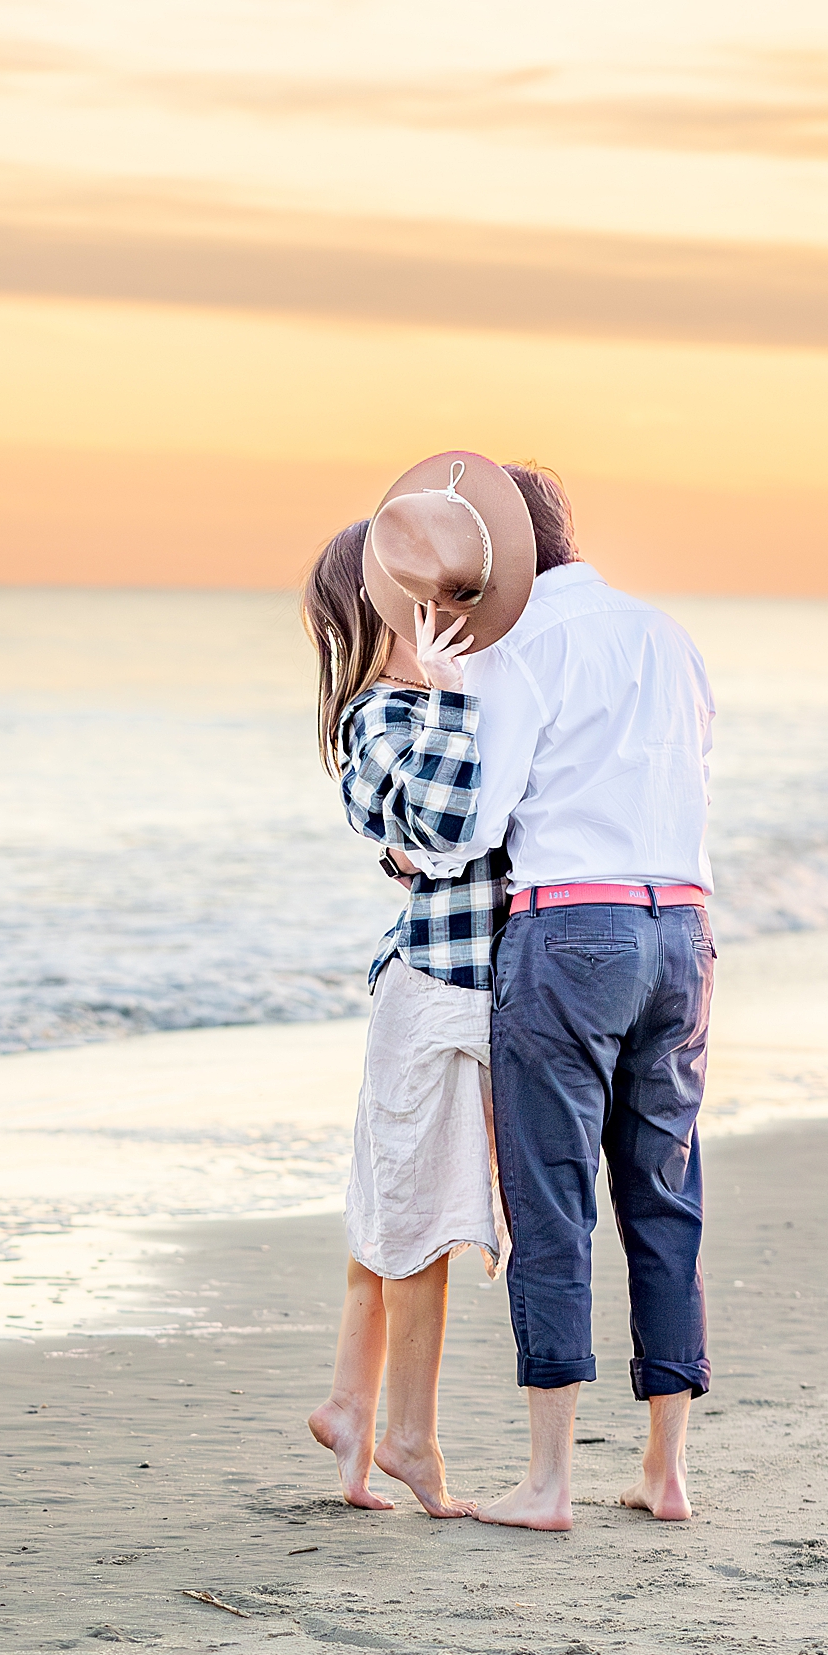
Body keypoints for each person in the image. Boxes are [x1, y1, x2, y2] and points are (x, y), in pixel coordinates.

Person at [437, 465, 717, 1531]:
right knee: (664, 1192)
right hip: (681, 927)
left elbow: (483, 814)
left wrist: (429, 856)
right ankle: (666, 1470)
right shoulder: (666, 634)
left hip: (572, 931)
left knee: (549, 1193)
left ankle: (548, 1482)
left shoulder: (522, 648)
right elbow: (695, 776)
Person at [299, 455, 537, 1518]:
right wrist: (450, 698)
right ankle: (408, 1435)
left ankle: (353, 1410)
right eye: (422, 601)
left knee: (391, 1203)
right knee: (421, 1219)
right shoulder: (381, 717)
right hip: (440, 989)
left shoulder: (434, 703)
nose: (445, 614)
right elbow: (442, 830)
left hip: (447, 984)